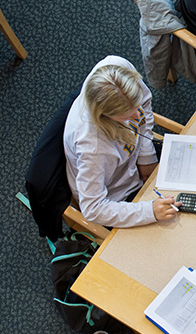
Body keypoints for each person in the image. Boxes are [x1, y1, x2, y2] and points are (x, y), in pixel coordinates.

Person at [63, 55, 180, 228]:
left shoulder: (116, 66)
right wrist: (149, 212)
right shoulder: (93, 148)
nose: (136, 115)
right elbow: (93, 208)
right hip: (119, 197)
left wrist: (146, 155)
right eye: (126, 115)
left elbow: (145, 106)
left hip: (135, 160)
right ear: (104, 116)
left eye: (136, 105)